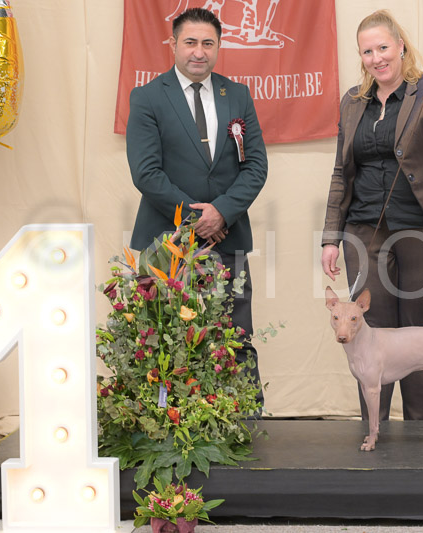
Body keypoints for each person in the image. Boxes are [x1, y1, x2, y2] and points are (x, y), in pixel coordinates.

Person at [321, 10, 423, 421]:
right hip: (364, 229)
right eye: (367, 51)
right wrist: (331, 237)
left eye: (383, 47)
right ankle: (375, 431)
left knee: (419, 333)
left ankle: (419, 432)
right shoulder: (353, 102)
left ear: (401, 46)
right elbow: (341, 171)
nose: (376, 58)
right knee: (368, 329)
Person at [127, 7, 268, 399]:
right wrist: (197, 218)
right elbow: (146, 173)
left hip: (228, 238)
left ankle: (243, 419)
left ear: (219, 46)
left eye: (208, 43)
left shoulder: (237, 95)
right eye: (190, 42)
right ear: (173, 44)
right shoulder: (147, 97)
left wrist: (221, 212)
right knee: (165, 342)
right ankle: (167, 424)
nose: (199, 52)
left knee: (234, 338)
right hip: (166, 241)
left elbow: (256, 166)